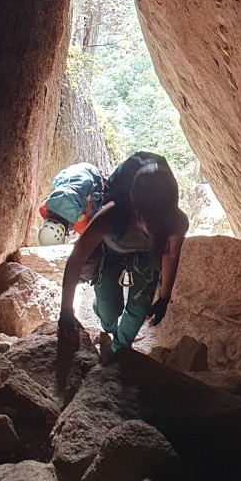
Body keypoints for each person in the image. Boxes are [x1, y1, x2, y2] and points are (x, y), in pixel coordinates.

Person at [57, 151, 188, 360]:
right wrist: (66, 310)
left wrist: (164, 298)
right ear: (136, 208)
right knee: (109, 310)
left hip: (145, 257)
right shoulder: (111, 215)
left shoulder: (176, 221)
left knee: (138, 311)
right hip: (111, 251)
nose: (157, 229)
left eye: (163, 222)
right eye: (152, 222)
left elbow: (170, 256)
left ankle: (117, 352)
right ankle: (107, 327)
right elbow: (76, 259)